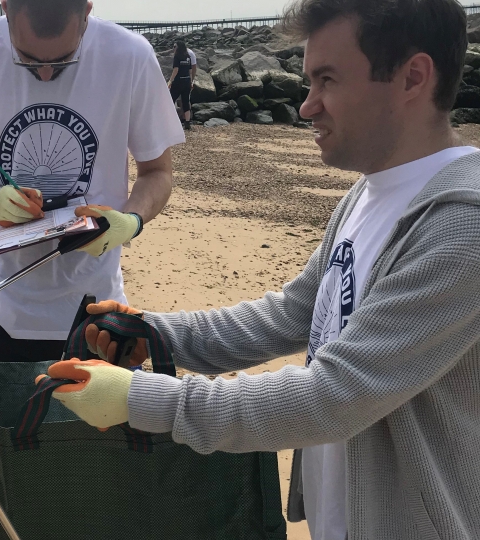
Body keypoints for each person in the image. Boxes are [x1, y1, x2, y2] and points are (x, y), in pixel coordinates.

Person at [45, 0, 480, 539]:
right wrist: (154, 334)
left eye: (326, 80)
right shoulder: (367, 194)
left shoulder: (462, 227)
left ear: (413, 77)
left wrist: (137, 399)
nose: (306, 107)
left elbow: (335, 396)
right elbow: (288, 316)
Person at [0, 0, 184, 537]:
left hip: (90, 305)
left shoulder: (130, 57)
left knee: (90, 481)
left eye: (62, 62)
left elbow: (158, 170)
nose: (44, 74)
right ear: (4, 8)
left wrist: (130, 219)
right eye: (27, 61)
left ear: (88, 12)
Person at [167, 40, 194, 130]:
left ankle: (169, 121)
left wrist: (170, 81)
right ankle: (187, 123)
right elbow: (190, 71)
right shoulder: (188, 57)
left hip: (178, 82)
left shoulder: (177, 57)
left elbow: (176, 70)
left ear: (178, 48)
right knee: (186, 101)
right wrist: (191, 82)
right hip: (186, 81)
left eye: (174, 47)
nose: (173, 48)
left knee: (170, 101)